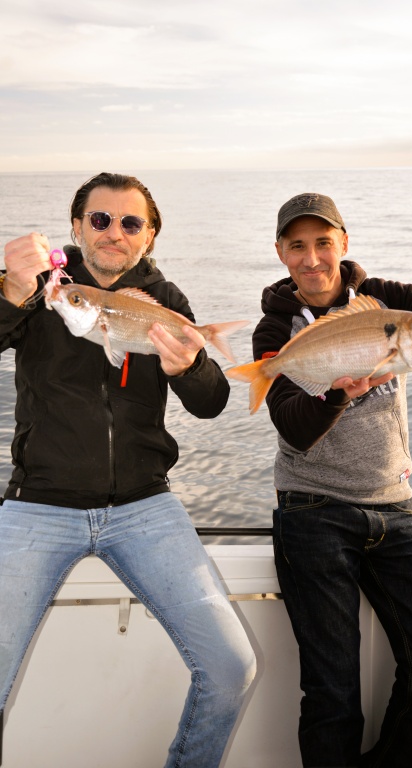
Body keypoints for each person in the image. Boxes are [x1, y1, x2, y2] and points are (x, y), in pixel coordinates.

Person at [0, 172, 256, 768]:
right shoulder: (41, 292)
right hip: (38, 503)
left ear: (150, 236)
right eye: (100, 219)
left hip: (146, 504)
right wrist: (12, 289)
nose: (114, 232)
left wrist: (191, 364)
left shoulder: (166, 301)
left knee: (232, 668)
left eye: (130, 223)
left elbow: (213, 401)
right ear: (75, 227)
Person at [251, 192, 412, 768]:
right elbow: (293, 429)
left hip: (396, 509)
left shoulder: (387, 301)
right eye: (298, 246)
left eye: (324, 242)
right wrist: (341, 394)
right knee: (333, 692)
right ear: (281, 253)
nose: (312, 257)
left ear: (344, 243)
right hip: (311, 513)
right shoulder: (273, 329)